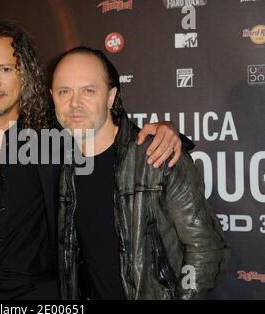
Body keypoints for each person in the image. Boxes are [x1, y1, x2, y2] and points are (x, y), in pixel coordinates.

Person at [0, 21, 187, 300]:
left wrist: (166, 131)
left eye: (6, 69)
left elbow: (112, 134)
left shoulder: (56, 134)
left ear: (25, 76)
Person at [51, 46, 230, 300]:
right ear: (52, 97)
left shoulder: (157, 153)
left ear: (111, 97)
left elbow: (207, 249)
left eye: (88, 91)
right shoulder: (57, 162)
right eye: (63, 91)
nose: (74, 103)